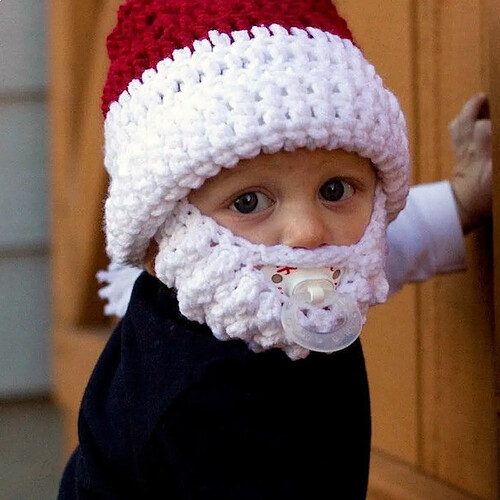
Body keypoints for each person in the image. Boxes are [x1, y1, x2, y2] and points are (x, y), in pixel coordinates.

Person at [58, 0, 492, 498]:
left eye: (334, 190)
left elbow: (377, 253)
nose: (308, 232)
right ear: (162, 241)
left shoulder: (269, 274)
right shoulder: (198, 405)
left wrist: (462, 198)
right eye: (249, 201)